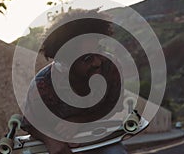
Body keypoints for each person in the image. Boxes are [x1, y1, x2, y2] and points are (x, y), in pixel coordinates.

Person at [21, 9, 127, 154]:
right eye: (87, 58)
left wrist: (79, 120)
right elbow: (30, 123)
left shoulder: (111, 68)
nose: (97, 62)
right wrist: (51, 141)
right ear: (67, 61)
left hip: (100, 141)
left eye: (99, 51)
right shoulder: (42, 85)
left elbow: (114, 106)